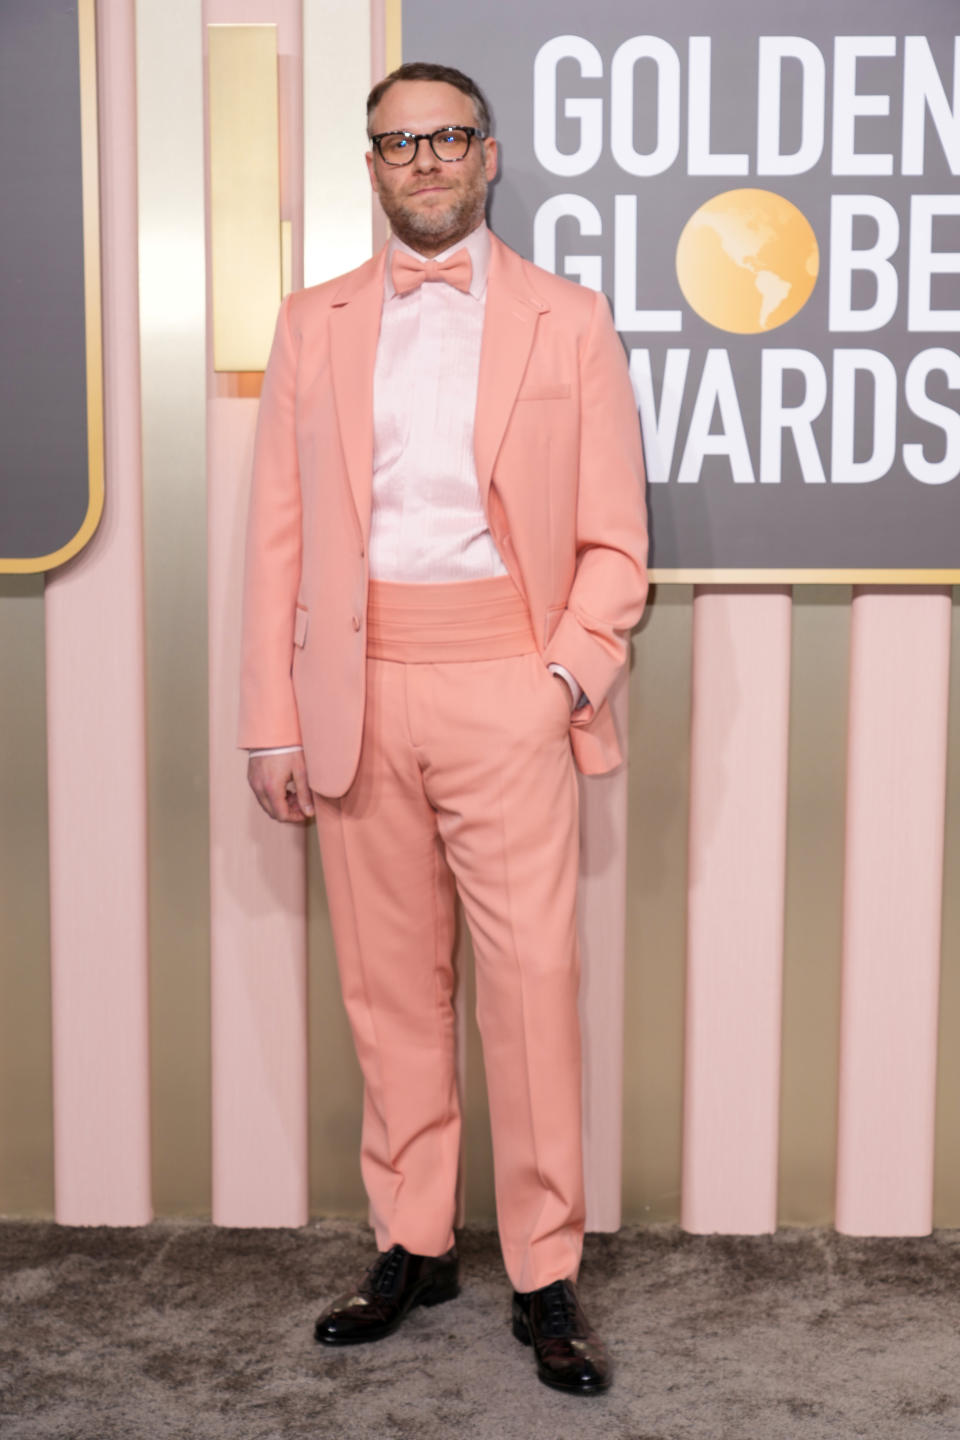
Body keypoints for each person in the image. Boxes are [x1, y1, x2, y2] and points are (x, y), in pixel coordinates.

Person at [238, 61, 648, 1397]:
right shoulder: (314, 323)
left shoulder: (567, 320)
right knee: (389, 993)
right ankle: (415, 1241)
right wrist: (271, 723)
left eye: (446, 137)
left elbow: (611, 541)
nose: (421, 159)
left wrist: (556, 686)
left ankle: (544, 1270)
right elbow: (278, 544)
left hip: (504, 685)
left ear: (488, 156)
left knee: (530, 993)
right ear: (372, 165)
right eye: (396, 142)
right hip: (356, 690)